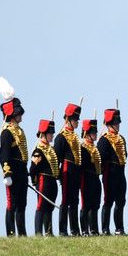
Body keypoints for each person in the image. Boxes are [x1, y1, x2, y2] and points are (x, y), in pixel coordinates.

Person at [0, 78, 28, 237]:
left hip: (22, 171)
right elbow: (4, 154)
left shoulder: (19, 131)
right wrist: (7, 173)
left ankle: (22, 233)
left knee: (22, 204)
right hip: (13, 172)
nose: (20, 115)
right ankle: (10, 233)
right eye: (17, 113)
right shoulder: (6, 132)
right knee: (12, 204)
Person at [53, 101, 83, 236]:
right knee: (65, 200)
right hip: (67, 170)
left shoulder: (75, 137)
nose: (77, 122)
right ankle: (63, 230)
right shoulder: (61, 137)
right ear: (68, 120)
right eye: (75, 119)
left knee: (75, 201)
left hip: (75, 170)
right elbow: (57, 157)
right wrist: (58, 173)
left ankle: (75, 229)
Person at [98, 107, 127, 235]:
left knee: (121, 201)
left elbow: (126, 154)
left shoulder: (122, 139)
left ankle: (119, 228)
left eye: (118, 122)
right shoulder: (104, 140)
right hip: (110, 173)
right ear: (110, 124)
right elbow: (101, 158)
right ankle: (105, 229)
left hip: (121, 172)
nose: (118, 125)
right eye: (115, 122)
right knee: (108, 201)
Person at [29, 119, 60, 237]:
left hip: (52, 181)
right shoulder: (38, 151)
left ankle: (49, 232)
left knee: (50, 208)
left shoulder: (51, 149)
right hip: (43, 181)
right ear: (44, 134)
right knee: (41, 207)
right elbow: (33, 170)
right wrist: (35, 182)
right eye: (50, 133)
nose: (52, 135)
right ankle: (38, 233)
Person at [79, 118, 102, 235]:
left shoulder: (95, 147)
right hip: (86, 177)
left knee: (95, 205)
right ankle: (84, 230)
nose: (95, 134)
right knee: (86, 205)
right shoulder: (82, 148)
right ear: (87, 134)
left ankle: (94, 229)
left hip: (96, 177)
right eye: (93, 133)